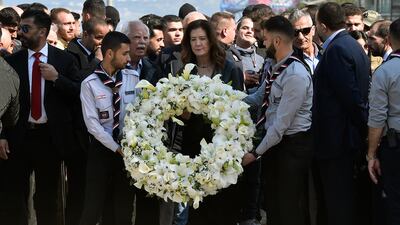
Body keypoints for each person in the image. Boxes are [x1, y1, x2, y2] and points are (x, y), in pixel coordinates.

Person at [0, 9, 80, 225]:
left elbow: (78, 94)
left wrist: (57, 79)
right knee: (14, 198)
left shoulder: (64, 60)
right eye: (20, 28)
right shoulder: (12, 62)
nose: (20, 33)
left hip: (50, 139)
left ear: (43, 31)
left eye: (26, 28)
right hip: (18, 136)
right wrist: (2, 135)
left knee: (47, 199)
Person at [242, 15, 313, 225]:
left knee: (288, 208)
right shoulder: (277, 68)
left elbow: (281, 124)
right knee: (274, 205)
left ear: (276, 41)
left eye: (264, 39)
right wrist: (220, 99)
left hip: (292, 147)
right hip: (276, 146)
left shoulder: (295, 74)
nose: (261, 43)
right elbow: (257, 98)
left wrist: (255, 153)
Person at [179, 19, 244, 225]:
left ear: (211, 40)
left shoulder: (229, 68)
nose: (198, 44)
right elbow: (178, 111)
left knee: (222, 202)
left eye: (202, 39)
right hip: (193, 143)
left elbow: (239, 107)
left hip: (222, 143)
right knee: (198, 201)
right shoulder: (184, 70)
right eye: (193, 40)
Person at [312, 3, 370, 225]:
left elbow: (351, 97)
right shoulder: (351, 44)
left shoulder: (337, 49)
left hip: (338, 141)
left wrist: (362, 127)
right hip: (344, 139)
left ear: (322, 25)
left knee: (339, 203)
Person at [79, 31, 135, 225]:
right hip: (101, 150)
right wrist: (115, 147)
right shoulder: (89, 84)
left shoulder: (132, 78)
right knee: (93, 207)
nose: (129, 58)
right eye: (125, 53)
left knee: (123, 208)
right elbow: (92, 124)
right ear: (110, 53)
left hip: (127, 151)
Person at [64, 17, 109, 225]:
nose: (102, 42)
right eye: (99, 37)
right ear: (86, 34)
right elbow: (78, 84)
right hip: (78, 134)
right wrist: (97, 62)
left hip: (100, 135)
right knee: (78, 190)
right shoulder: (70, 54)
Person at [367, 18, 400, 225]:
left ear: (388, 40)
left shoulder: (385, 71)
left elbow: (377, 118)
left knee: (395, 205)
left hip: (395, 148)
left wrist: (371, 153)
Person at [289, 9, 322, 75]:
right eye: (295, 32)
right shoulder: (287, 60)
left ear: (313, 30)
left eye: (305, 31)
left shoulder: (326, 54)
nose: (300, 37)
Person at [234, 16, 264, 90]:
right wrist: (241, 78)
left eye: (253, 30)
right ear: (236, 31)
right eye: (245, 28)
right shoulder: (227, 56)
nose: (249, 31)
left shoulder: (262, 59)